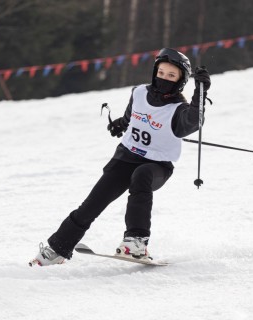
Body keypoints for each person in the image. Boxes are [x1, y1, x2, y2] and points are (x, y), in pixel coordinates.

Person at [29, 48, 211, 266]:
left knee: (142, 175)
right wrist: (120, 124)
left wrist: (200, 92)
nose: (164, 78)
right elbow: (131, 116)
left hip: (157, 166)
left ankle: (136, 241)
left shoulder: (179, 110)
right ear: (155, 72)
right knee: (91, 205)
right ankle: (56, 250)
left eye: (171, 76)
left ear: (181, 81)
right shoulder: (139, 93)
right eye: (161, 73)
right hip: (125, 158)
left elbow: (193, 121)